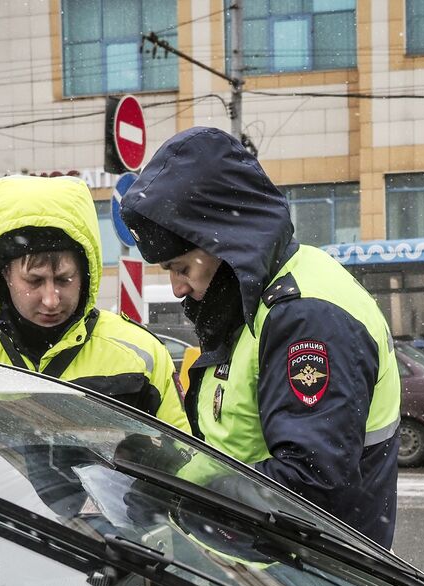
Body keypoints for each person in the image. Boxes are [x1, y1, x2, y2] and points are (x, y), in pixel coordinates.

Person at [119, 127, 401, 548]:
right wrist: (170, 466)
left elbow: (307, 489)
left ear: (226, 243)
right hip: (256, 576)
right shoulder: (250, 297)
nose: (178, 287)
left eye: (182, 267)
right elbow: (233, 446)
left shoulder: (305, 317)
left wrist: (177, 497)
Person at [0, 175, 189, 432]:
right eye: (34, 281)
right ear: (4, 274)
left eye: (64, 279)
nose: (51, 300)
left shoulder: (142, 355)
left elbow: (184, 461)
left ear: (86, 274)